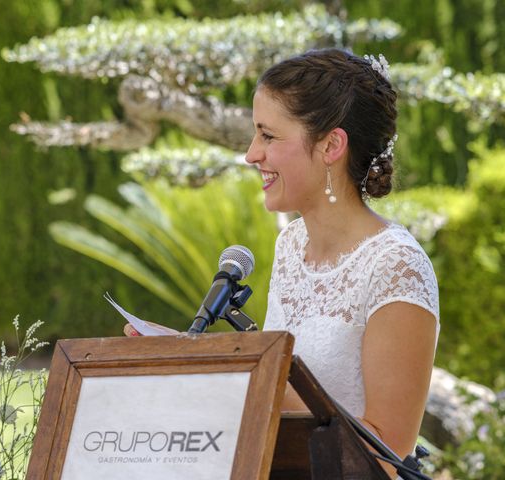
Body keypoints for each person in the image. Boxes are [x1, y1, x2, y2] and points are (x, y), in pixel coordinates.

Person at [126, 48, 439, 478]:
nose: (252, 154)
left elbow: (383, 458)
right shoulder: (291, 246)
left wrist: (230, 376)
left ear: (331, 145)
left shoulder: (397, 268)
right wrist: (190, 359)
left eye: (268, 136)